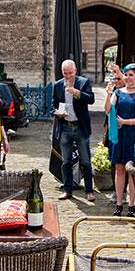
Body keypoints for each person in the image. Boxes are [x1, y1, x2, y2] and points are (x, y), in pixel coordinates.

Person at [105, 63, 135, 216]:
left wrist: (125, 121)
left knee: (132, 170)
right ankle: (118, 204)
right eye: (126, 75)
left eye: (131, 75)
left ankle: (131, 205)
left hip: (133, 135)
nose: (128, 78)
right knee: (119, 168)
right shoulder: (117, 93)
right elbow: (108, 111)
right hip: (119, 135)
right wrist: (109, 94)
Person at [52, 59, 97, 200]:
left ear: (75, 71)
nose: (68, 76)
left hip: (80, 126)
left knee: (85, 161)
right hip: (65, 126)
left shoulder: (83, 82)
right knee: (66, 161)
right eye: (65, 73)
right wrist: (57, 112)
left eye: (70, 73)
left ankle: (89, 191)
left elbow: (91, 99)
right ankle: (67, 190)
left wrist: (77, 93)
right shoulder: (58, 85)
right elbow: (52, 105)